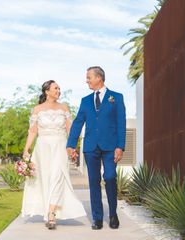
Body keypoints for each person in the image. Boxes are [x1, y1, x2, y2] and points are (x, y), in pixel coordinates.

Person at [67, 66, 126, 230]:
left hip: (110, 147)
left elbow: (121, 123)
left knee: (109, 177)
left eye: (88, 77)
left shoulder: (117, 98)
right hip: (91, 147)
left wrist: (120, 146)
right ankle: (97, 218)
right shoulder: (85, 100)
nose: (87, 80)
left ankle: (113, 214)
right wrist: (71, 144)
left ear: (99, 78)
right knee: (93, 182)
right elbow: (78, 122)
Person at [21, 80, 86, 230]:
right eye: (56, 88)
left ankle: (51, 213)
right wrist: (26, 150)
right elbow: (32, 131)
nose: (59, 90)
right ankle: (47, 209)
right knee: (45, 179)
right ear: (47, 91)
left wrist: (72, 147)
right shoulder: (37, 109)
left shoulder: (64, 108)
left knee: (58, 176)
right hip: (42, 147)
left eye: (59, 88)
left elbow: (70, 129)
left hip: (60, 146)